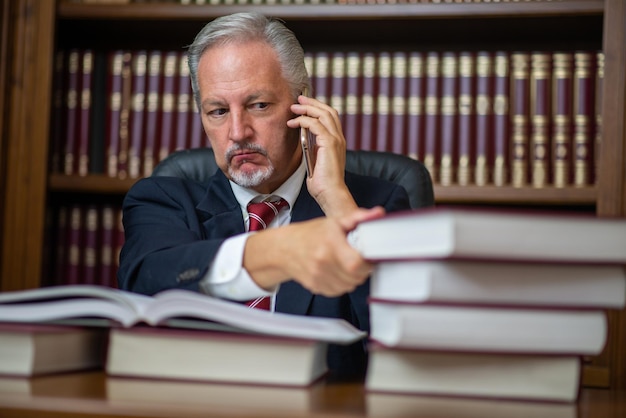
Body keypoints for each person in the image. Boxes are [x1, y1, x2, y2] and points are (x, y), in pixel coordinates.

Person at [118, 12, 411, 379]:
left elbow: (404, 341)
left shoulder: (377, 203)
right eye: (218, 111)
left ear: (303, 105)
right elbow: (145, 282)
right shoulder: (163, 200)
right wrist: (274, 252)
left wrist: (336, 202)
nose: (238, 132)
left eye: (259, 105)